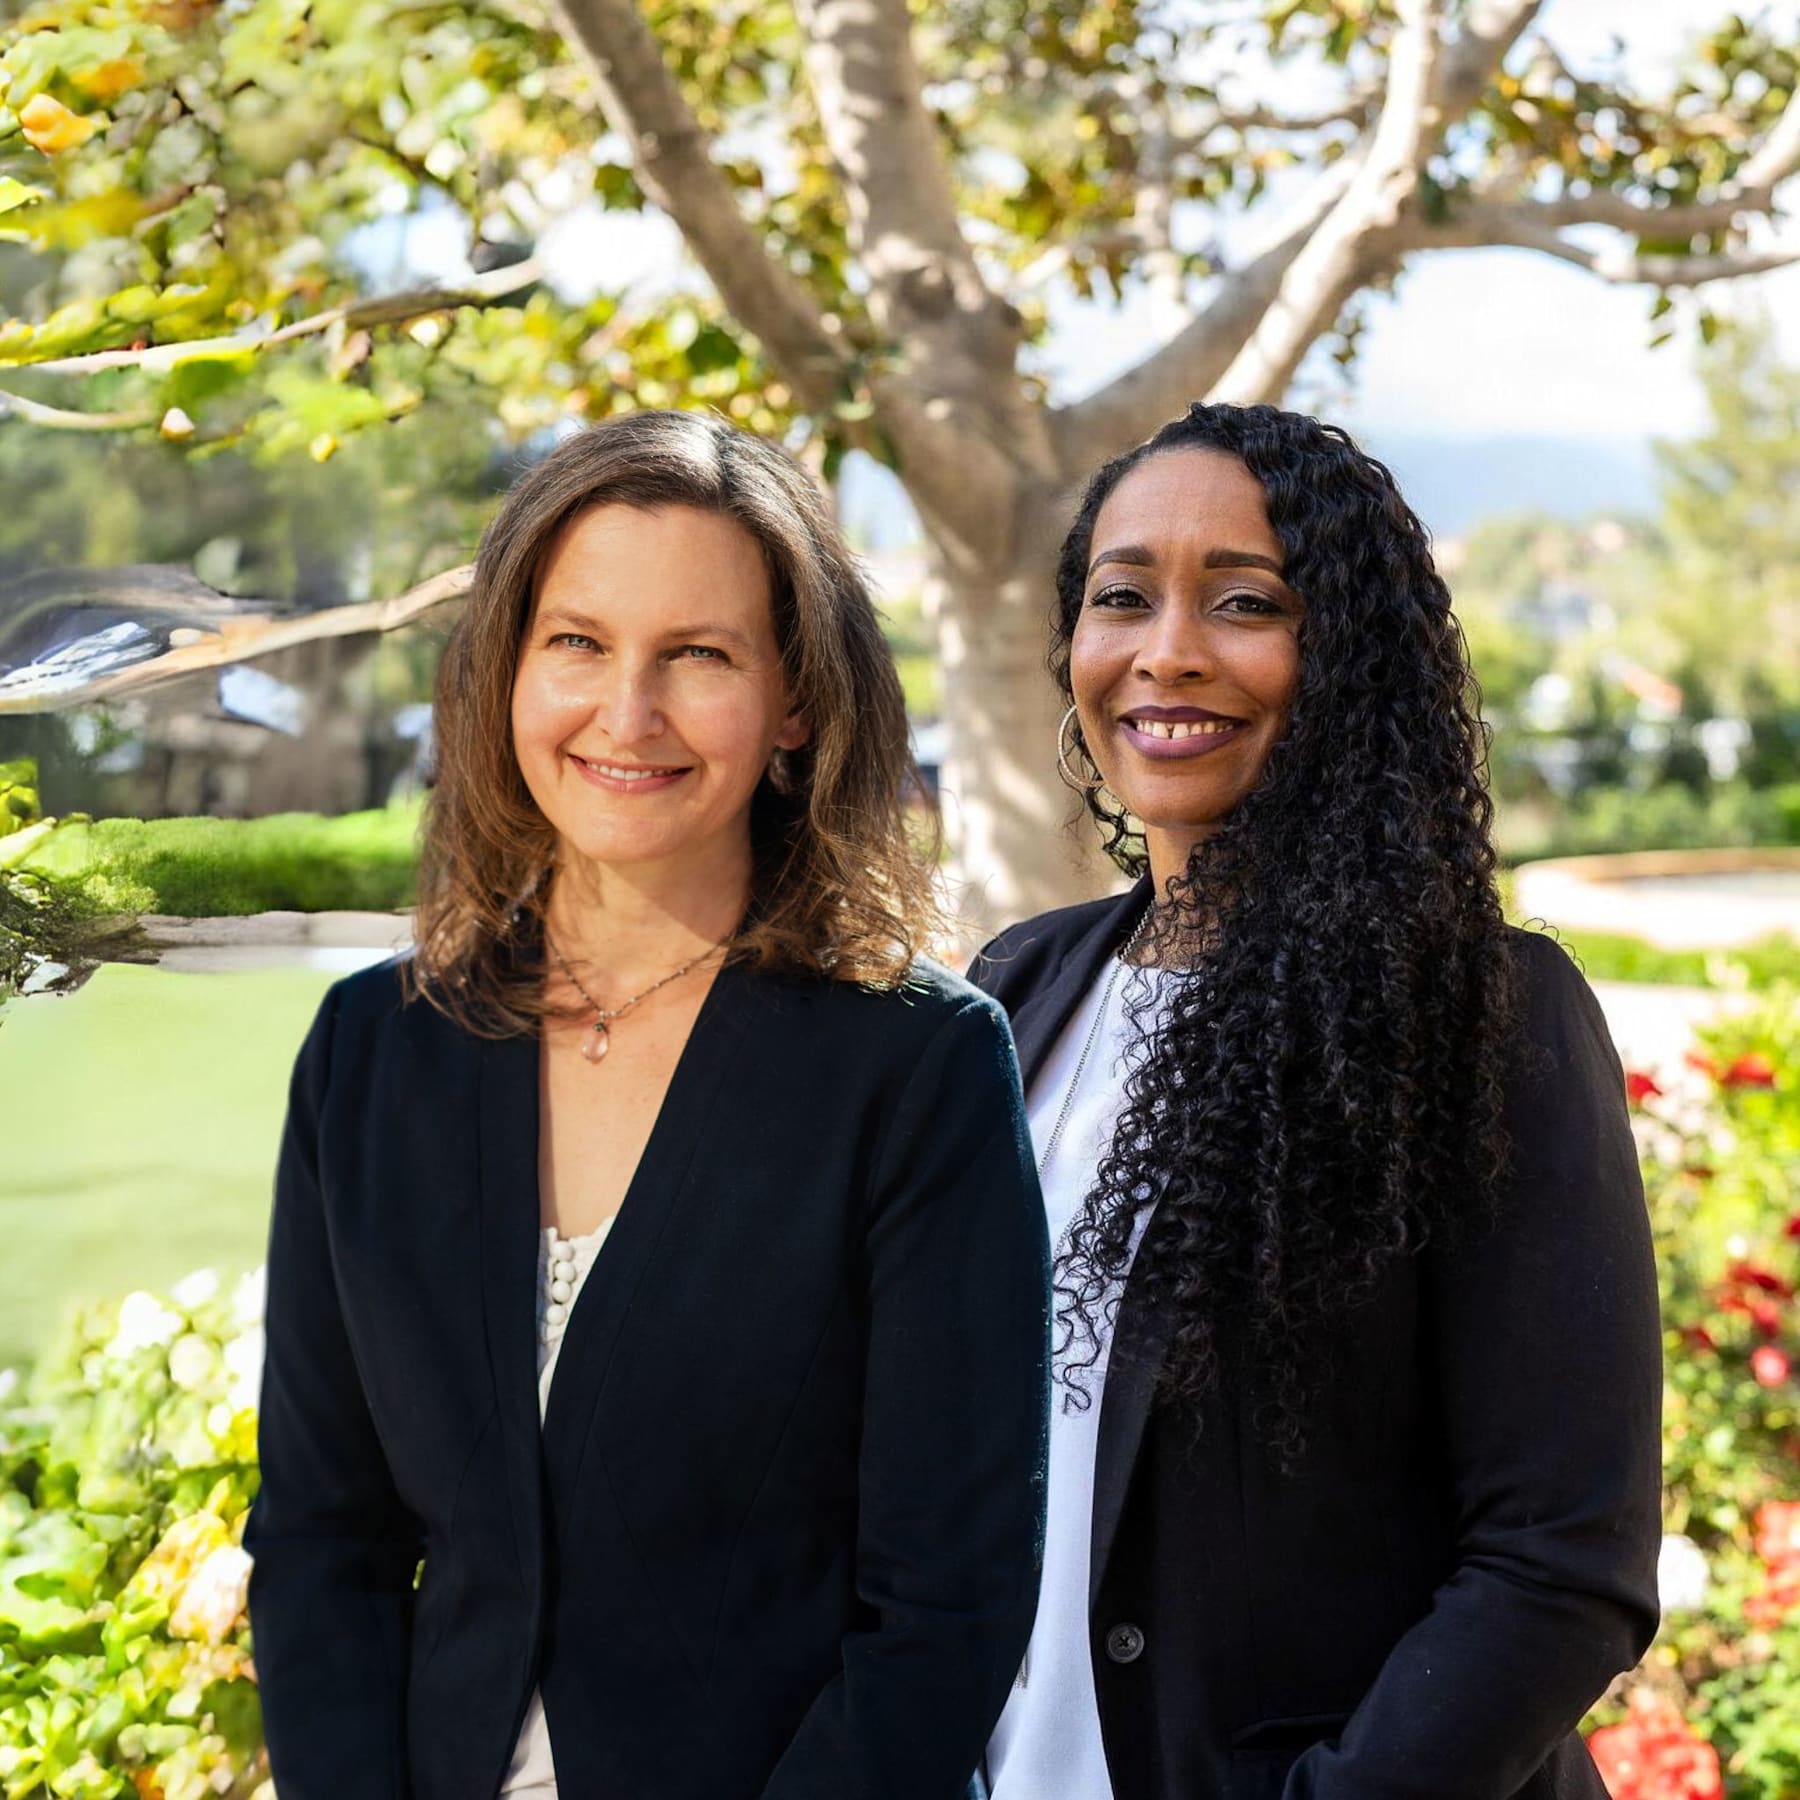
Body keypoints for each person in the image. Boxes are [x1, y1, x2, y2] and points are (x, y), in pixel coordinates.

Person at [245, 409, 1050, 1800]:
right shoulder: (371, 1053)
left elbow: (943, 1610)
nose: (628, 715)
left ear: (795, 699)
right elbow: (325, 1539)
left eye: (698, 654)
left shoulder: (918, 1071)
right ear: (507, 668)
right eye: (580, 643)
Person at [970, 401, 1662, 1800]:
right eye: (1121, 598)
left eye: (1245, 602)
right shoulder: (1016, 990)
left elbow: (1559, 1561)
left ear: (1346, 657)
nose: (1167, 650)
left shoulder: (1483, 1015)